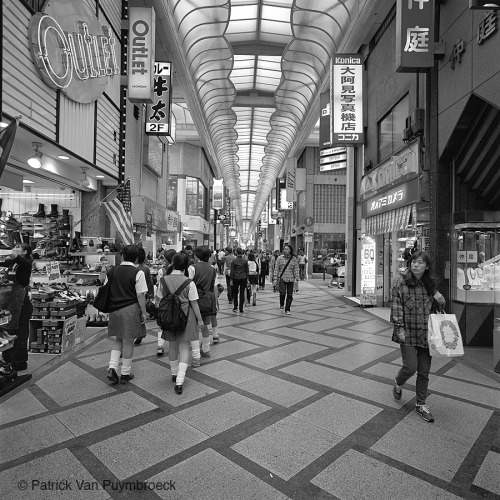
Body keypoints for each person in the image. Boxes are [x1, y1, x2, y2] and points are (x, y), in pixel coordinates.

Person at [391, 251, 446, 423]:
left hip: (426, 332)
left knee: (424, 371)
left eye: (420, 262)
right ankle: (398, 381)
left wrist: (441, 299)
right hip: (406, 332)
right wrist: (399, 327)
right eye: (413, 261)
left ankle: (421, 404)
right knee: (410, 367)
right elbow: (396, 306)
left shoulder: (430, 284)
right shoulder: (400, 282)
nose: (415, 265)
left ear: (426, 266)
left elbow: (438, 306)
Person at [157, 252, 203, 394]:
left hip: (169, 318)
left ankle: (174, 374)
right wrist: (200, 320)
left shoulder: (163, 280)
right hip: (186, 319)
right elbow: (194, 304)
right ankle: (180, 381)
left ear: (173, 263)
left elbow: (159, 300)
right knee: (184, 349)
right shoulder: (189, 283)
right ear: (186, 266)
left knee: (172, 347)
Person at [106, 245, 148, 384]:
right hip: (130, 310)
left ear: (123, 256)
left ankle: (112, 367)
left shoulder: (112, 271)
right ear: (136, 258)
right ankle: (125, 373)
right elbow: (140, 295)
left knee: (118, 339)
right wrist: (144, 312)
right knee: (128, 341)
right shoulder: (138, 273)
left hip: (115, 309)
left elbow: (105, 287)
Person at [0, 243, 34, 372]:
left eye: (17, 248)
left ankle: (19, 363)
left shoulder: (25, 264)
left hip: (21, 307)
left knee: (20, 335)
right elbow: (4, 262)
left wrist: (12, 253)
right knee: (8, 333)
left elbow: (20, 261)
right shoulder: (12, 263)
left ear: (24, 252)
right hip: (8, 305)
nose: (14, 249)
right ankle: (7, 361)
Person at [189, 246, 219, 363]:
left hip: (195, 301)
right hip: (207, 301)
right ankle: (206, 350)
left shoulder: (192, 268)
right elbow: (215, 288)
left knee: (195, 327)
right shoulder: (212, 269)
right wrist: (214, 302)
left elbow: (188, 284)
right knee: (205, 326)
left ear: (197, 256)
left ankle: (196, 354)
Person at [156, 248, 176, 356]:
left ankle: (160, 345)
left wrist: (157, 301)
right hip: (178, 302)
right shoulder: (180, 271)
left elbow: (160, 287)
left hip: (165, 301)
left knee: (161, 324)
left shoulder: (162, 271)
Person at [133, 247, 155, 345]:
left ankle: (141, 333)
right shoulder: (131, 266)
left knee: (140, 315)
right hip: (131, 294)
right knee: (136, 315)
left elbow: (149, 283)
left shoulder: (144, 268)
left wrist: (150, 296)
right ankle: (141, 333)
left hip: (141, 294)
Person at [273, 244, 299, 315]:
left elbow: (296, 269)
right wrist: (275, 278)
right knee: (282, 293)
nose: (286, 250)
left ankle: (287, 309)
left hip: (291, 279)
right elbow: (276, 269)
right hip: (282, 278)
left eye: (287, 249)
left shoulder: (294, 259)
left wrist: (297, 279)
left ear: (290, 250)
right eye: (285, 249)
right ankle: (282, 304)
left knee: (290, 295)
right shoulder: (279, 258)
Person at [230, 248, 248, 313]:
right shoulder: (245, 261)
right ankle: (241, 308)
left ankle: (235, 307)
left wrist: (231, 279)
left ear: (236, 252)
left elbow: (232, 271)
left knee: (235, 293)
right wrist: (247, 279)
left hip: (235, 278)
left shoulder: (234, 261)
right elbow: (247, 271)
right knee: (242, 292)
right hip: (243, 277)